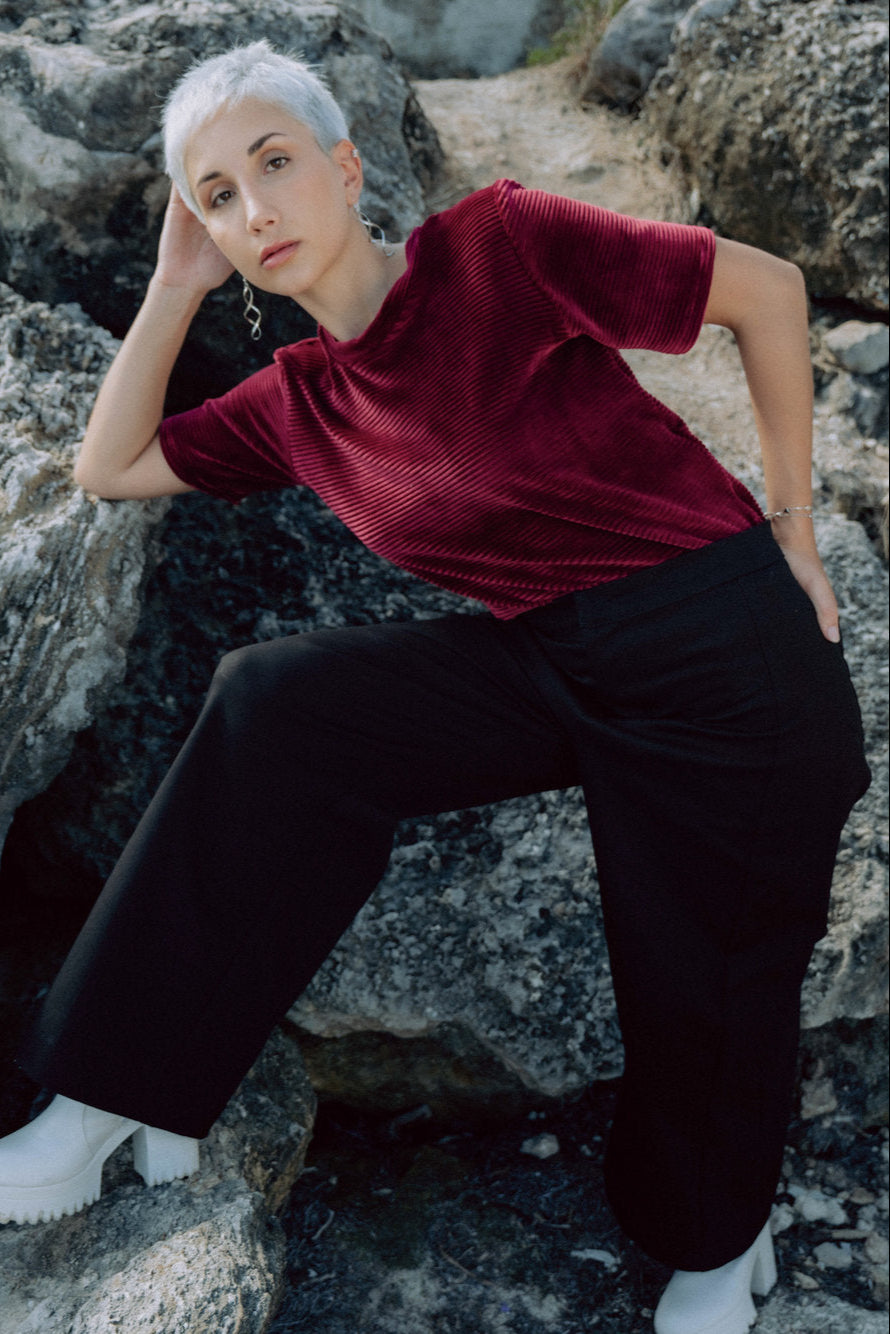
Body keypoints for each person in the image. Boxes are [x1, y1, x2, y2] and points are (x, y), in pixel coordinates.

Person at [0, 41, 869, 1334]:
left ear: (348, 166)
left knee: (697, 974)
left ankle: (714, 1242)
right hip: (554, 660)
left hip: (717, 650)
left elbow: (768, 290)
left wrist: (792, 523)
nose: (254, 209)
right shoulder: (298, 400)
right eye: (219, 194)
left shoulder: (497, 247)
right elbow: (108, 466)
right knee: (278, 705)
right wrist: (175, 283)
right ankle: (101, 1100)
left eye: (275, 164)